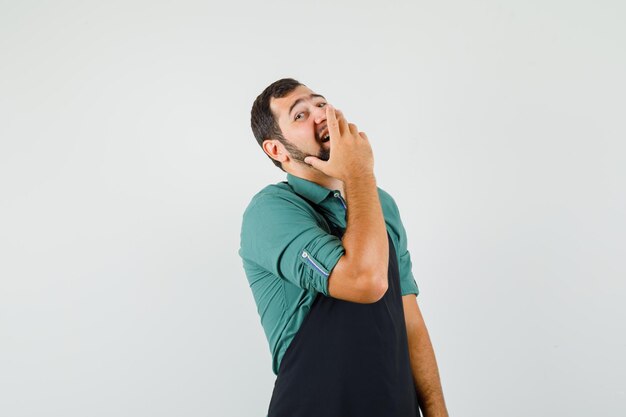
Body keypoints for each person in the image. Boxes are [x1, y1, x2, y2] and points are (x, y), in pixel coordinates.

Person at [239, 78, 448, 417]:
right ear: (275, 150)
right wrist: (359, 173)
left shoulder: (381, 205)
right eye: (300, 115)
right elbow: (365, 281)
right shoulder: (272, 211)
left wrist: (438, 412)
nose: (321, 115)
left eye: (320, 103)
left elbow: (410, 322)